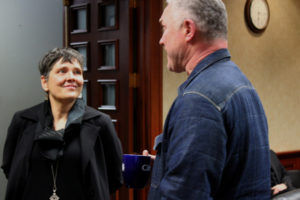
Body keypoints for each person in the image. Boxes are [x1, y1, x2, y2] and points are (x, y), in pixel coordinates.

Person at [143, 0, 270, 199]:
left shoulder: (198, 100)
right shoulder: (241, 83)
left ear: (188, 29)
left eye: (164, 28)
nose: (161, 40)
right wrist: (166, 166)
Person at [1, 47, 123, 200]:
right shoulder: (23, 121)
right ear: (45, 82)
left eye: (77, 72)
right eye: (62, 71)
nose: (71, 77)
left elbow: (114, 177)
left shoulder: (100, 123)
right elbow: (11, 169)